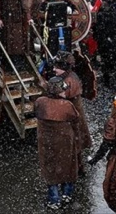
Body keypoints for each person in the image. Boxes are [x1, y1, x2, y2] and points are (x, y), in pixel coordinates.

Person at [35, 76, 79, 210]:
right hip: (65, 140)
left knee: (50, 167)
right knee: (68, 165)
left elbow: (36, 113)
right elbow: (75, 119)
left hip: (46, 141)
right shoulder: (67, 105)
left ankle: (54, 199)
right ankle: (67, 193)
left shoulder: (40, 102)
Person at [53, 51, 92, 173]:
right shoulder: (70, 77)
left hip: (71, 117)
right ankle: (77, 167)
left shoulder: (69, 81)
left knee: (74, 143)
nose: (54, 69)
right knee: (75, 142)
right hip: (73, 116)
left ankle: (76, 169)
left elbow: (61, 95)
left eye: (57, 68)